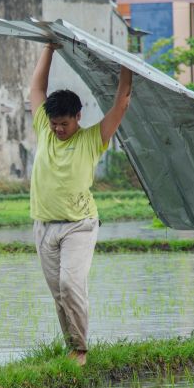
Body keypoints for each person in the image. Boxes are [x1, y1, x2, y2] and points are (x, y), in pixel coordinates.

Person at [29, 42, 132, 365]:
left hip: (79, 225)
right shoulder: (44, 131)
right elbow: (36, 87)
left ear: (78, 117)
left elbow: (122, 104)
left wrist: (125, 64)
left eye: (64, 124)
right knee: (58, 294)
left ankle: (81, 350)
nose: (58, 130)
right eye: (55, 124)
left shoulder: (92, 139)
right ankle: (72, 347)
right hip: (44, 226)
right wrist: (49, 48)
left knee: (70, 284)